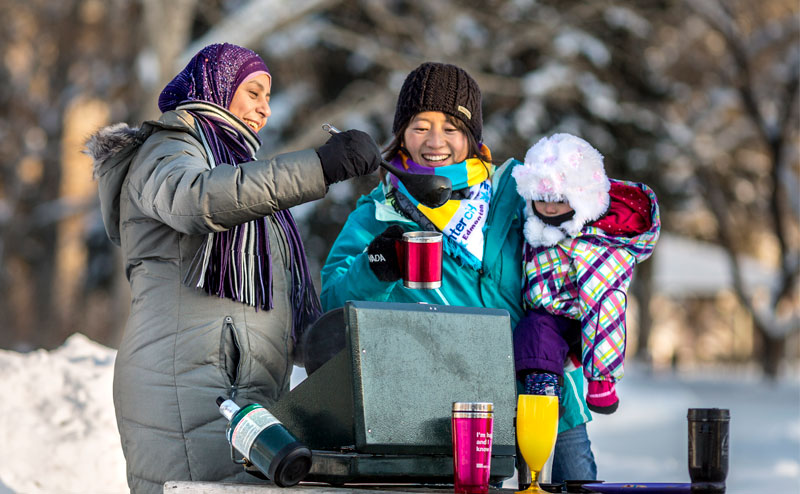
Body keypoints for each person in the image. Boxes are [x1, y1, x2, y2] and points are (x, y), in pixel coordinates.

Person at [85, 43, 381, 493]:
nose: (264, 109)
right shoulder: (167, 150)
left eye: (268, 98)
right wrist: (319, 166)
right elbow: (197, 199)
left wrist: (377, 270)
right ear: (216, 88)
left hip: (246, 398)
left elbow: (283, 320)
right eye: (254, 93)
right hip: (185, 387)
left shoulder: (248, 186)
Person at [320, 62, 597, 482]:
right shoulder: (380, 211)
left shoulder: (516, 190)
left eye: (451, 127)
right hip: (460, 414)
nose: (435, 142)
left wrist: (578, 315)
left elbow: (586, 249)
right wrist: (375, 266)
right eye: (420, 126)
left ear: (471, 135)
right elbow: (332, 306)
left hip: (545, 392)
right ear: (401, 133)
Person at [511, 133, 661, 414]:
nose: (549, 207)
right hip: (546, 317)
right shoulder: (536, 224)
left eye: (558, 198)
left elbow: (606, 310)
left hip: (583, 324)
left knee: (545, 328)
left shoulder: (598, 246)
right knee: (534, 328)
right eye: (541, 198)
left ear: (581, 196)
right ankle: (542, 387)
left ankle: (586, 384)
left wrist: (601, 381)